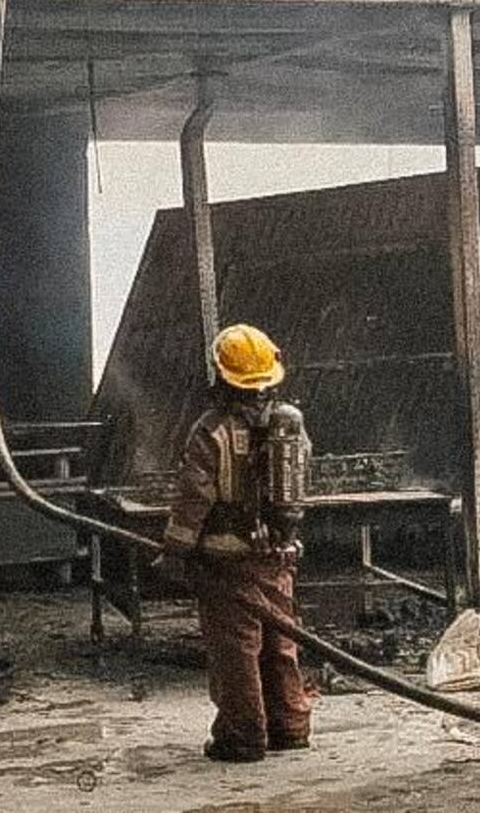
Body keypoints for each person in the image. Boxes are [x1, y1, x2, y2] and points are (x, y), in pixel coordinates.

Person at [161, 324, 313, 763]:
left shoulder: (211, 432)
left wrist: (174, 553)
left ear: (223, 376)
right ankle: (291, 728)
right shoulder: (290, 426)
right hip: (278, 557)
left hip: (226, 562)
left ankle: (242, 737)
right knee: (282, 643)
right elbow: (300, 483)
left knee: (237, 652)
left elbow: (193, 500)